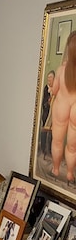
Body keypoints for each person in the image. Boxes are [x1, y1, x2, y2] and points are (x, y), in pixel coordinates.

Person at [51, 31, 76, 183]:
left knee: (58, 141)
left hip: (61, 106)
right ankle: (69, 173)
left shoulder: (61, 70)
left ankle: (55, 168)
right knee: (72, 147)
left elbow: (54, 90)